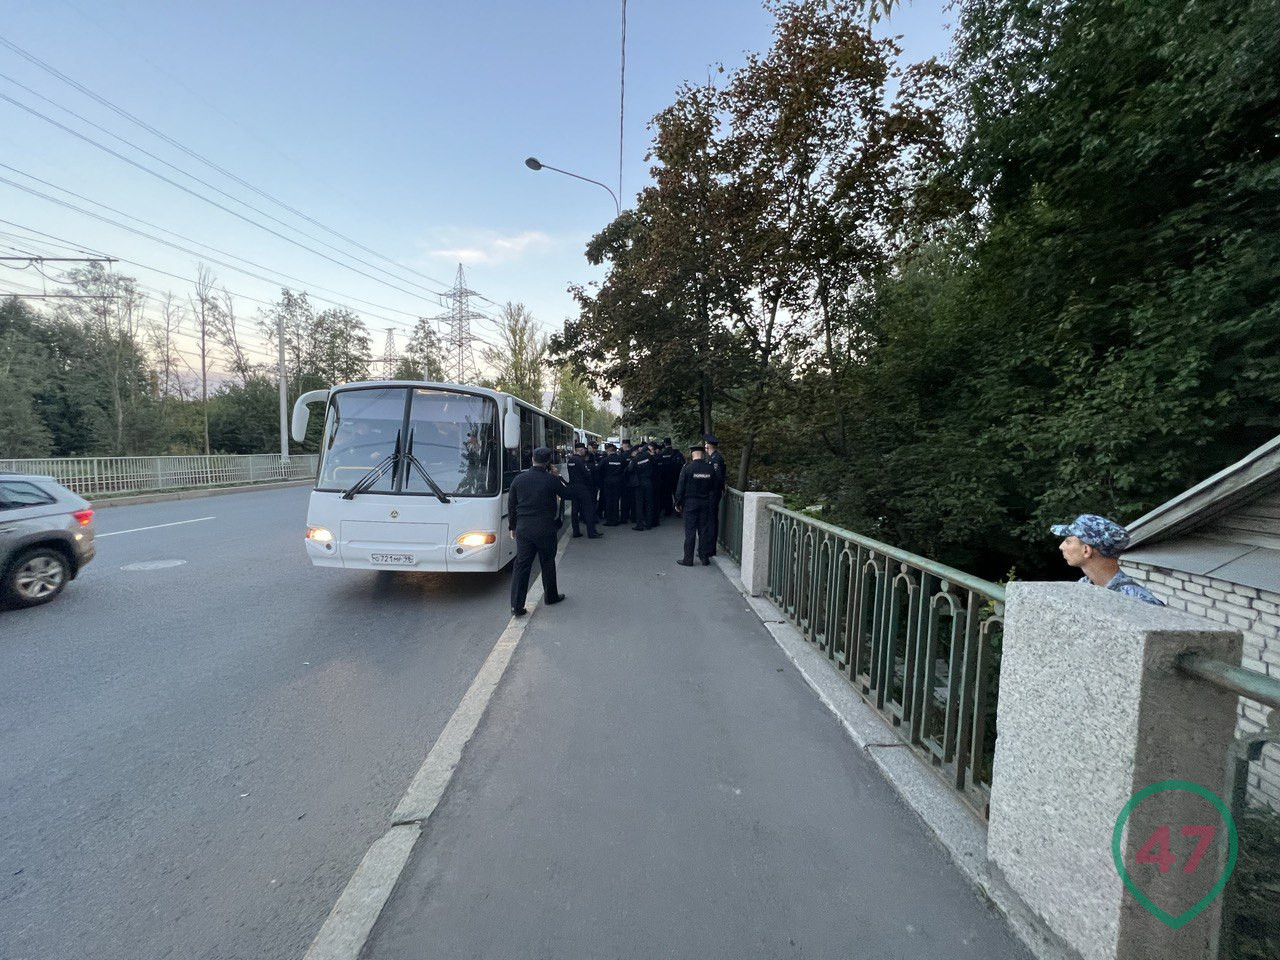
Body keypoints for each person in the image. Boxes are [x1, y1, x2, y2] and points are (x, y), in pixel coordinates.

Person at [1051, 514, 1164, 606]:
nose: (1061, 546)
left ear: (1086, 550)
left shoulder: (1142, 603)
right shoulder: (1083, 586)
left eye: (1068, 541)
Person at [508, 446, 568, 615]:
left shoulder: (519, 479)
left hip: (524, 529)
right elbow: (568, 493)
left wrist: (512, 526)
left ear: (532, 459)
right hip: (545, 528)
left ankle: (516, 606)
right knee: (547, 562)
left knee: (521, 565)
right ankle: (550, 596)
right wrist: (558, 477)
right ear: (549, 461)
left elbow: (511, 506)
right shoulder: (552, 480)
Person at [675, 444, 717, 566]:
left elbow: (680, 486)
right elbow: (715, 486)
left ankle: (688, 559)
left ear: (692, 454)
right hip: (705, 503)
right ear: (703, 454)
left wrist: (678, 502)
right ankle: (704, 558)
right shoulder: (710, 469)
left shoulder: (687, 468)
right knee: (703, 530)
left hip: (690, 503)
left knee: (690, 531)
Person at [567, 442, 603, 539]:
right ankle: (592, 532)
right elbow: (587, 474)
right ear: (581, 450)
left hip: (573, 487)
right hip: (583, 488)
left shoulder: (570, 461)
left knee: (574, 510)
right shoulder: (580, 461)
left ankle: (576, 531)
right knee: (588, 509)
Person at [704, 433, 726, 554]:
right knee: (710, 520)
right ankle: (708, 546)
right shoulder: (712, 458)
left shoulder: (716, 459)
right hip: (712, 493)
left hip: (713, 494)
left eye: (706, 444)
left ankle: (710, 548)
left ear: (708, 446)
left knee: (711, 520)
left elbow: (718, 478)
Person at [599, 442, 627, 526]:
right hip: (618, 481)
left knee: (608, 500)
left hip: (607, 481)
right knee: (616, 500)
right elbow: (625, 468)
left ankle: (609, 520)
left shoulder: (605, 460)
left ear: (608, 451)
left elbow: (599, 469)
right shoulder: (621, 458)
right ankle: (615, 520)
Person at [631, 442, 655, 531]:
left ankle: (639, 525)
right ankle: (649, 524)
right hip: (648, 481)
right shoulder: (649, 457)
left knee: (639, 504)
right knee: (649, 503)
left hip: (639, 483)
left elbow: (630, 469)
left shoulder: (636, 459)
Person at [618, 440, 635, 525]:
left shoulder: (622, 455)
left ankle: (624, 517)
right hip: (634, 481)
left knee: (624, 500)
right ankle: (633, 517)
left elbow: (620, 468)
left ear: (624, 445)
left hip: (624, 480)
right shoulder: (634, 454)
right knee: (633, 500)